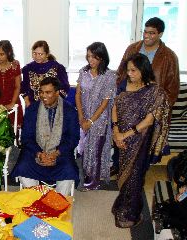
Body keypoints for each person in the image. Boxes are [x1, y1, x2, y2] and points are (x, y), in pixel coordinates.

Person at [111, 17, 180, 176]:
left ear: (160, 34)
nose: (147, 36)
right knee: (120, 134)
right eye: (145, 32)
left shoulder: (169, 57)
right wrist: (120, 96)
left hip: (150, 108)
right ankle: (118, 164)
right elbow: (121, 73)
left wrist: (156, 109)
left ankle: (138, 170)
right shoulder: (132, 49)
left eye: (152, 33)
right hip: (127, 104)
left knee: (142, 143)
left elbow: (172, 89)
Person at [111, 53, 170, 228]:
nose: (130, 74)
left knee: (135, 176)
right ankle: (122, 206)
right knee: (124, 174)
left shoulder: (155, 91)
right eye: (128, 70)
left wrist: (125, 134)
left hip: (140, 141)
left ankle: (131, 214)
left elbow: (149, 120)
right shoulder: (124, 84)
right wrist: (116, 131)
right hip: (121, 139)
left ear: (143, 70)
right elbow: (115, 106)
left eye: (133, 70)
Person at [11, 77, 80, 196]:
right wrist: (39, 153)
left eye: (48, 92)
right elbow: (27, 138)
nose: (43, 95)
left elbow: (73, 138)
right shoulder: (33, 109)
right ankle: (36, 198)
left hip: (60, 152)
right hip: (35, 151)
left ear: (57, 93)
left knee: (68, 170)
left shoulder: (69, 111)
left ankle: (58, 200)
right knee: (22, 167)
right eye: (41, 92)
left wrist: (56, 153)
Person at [75, 42, 116, 190]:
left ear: (102, 58)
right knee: (83, 148)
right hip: (83, 115)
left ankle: (95, 179)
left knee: (96, 149)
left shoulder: (109, 76)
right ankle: (85, 174)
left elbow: (105, 102)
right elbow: (78, 94)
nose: (90, 60)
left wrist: (91, 121)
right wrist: (80, 116)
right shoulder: (83, 72)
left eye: (94, 57)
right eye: (89, 56)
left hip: (99, 119)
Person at [21, 40, 70, 107]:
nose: (37, 56)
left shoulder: (58, 68)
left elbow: (65, 87)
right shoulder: (28, 68)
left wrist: (55, 102)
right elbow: (24, 87)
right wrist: (27, 101)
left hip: (54, 104)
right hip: (34, 105)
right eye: (34, 53)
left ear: (47, 54)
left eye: (40, 54)